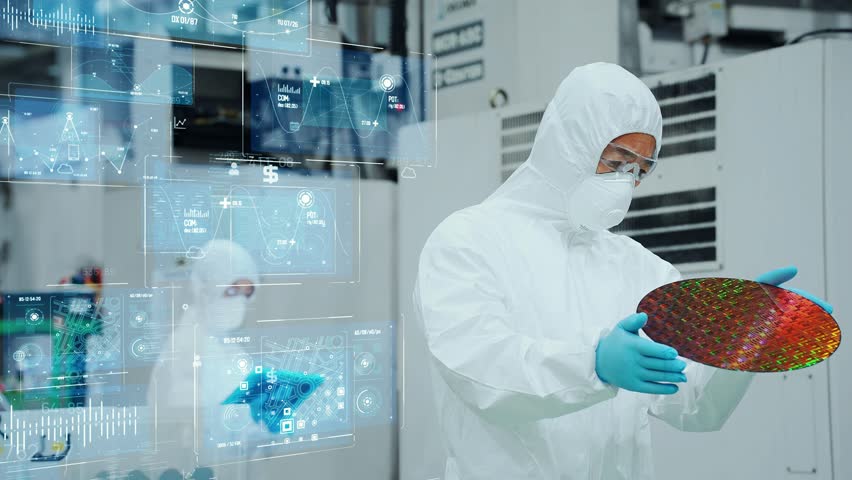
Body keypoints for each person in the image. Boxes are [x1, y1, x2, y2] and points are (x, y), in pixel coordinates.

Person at [413, 63, 833, 479]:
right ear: (569, 143)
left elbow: (695, 405)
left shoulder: (639, 268)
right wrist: (592, 364)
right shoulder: (468, 241)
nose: (626, 183)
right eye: (617, 162)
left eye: (640, 171)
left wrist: (742, 340)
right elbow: (479, 370)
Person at [148, 239, 258, 474]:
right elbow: (186, 433)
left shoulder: (232, 350)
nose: (239, 301)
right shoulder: (187, 345)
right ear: (206, 288)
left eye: (247, 293)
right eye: (231, 290)